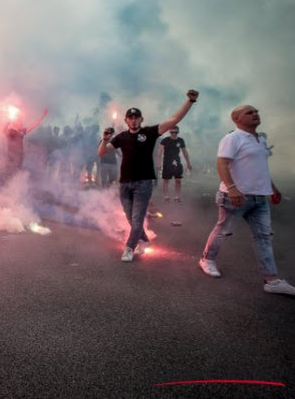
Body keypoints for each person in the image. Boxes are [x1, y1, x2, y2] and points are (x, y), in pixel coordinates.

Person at [198, 106, 295, 295]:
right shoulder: (232, 138)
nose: (255, 113)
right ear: (236, 118)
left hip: (260, 198)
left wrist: (273, 188)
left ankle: (271, 280)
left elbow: (260, 168)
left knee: (264, 237)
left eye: (257, 111)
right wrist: (232, 189)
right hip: (234, 197)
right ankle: (207, 260)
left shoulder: (261, 139)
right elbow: (222, 163)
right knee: (223, 231)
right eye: (249, 112)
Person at [98, 90, 199, 262]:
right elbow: (102, 153)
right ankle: (144, 240)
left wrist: (190, 101)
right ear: (126, 120)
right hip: (125, 184)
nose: (133, 119)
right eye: (130, 117)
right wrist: (105, 139)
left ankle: (129, 248)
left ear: (141, 119)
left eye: (136, 117)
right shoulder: (121, 137)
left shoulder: (150, 132)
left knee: (137, 219)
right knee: (130, 218)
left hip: (143, 184)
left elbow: (174, 120)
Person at [2, 108, 48, 178]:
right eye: (18, 122)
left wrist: (42, 116)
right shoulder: (10, 131)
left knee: (16, 174)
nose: (20, 124)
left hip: (19, 156)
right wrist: (9, 120)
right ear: (15, 123)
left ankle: (15, 186)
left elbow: (33, 126)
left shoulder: (22, 131)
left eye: (21, 123)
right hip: (11, 156)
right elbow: (4, 130)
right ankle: (7, 185)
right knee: (8, 173)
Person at [157, 126, 192, 203]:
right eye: (172, 132)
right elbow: (160, 152)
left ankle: (177, 197)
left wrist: (188, 163)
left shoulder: (180, 140)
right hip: (167, 161)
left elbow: (184, 152)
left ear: (178, 132)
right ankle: (166, 197)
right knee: (166, 180)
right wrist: (159, 163)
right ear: (169, 132)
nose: (173, 134)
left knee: (178, 180)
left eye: (175, 132)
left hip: (176, 161)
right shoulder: (165, 140)